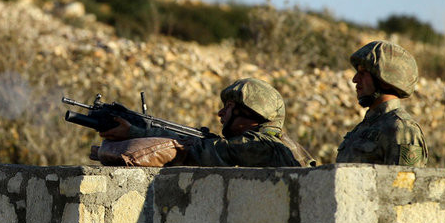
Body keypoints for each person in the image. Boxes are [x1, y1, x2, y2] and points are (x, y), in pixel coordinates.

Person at [100, 78, 315, 167]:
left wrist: (136, 132)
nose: (220, 113)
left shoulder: (261, 146)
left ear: (250, 113)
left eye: (229, 108)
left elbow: (205, 151)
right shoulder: (281, 144)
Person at [336, 40, 428, 166]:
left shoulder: (401, 129)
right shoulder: (366, 126)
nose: (355, 79)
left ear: (385, 80)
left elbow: (404, 184)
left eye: (362, 73)